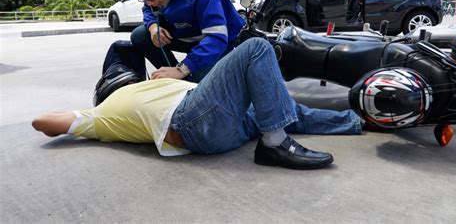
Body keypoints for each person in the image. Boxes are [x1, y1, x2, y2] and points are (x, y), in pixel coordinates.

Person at [32, 38, 361, 170]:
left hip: (216, 122)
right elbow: (43, 122)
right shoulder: (101, 113)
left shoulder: (153, 85)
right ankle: (274, 145)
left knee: (281, 109)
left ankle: (360, 120)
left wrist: (169, 77)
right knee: (257, 47)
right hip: (192, 124)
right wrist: (80, 115)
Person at [127, 0, 245, 83]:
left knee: (200, 86)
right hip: (187, 34)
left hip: (220, 40)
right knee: (139, 35)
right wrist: (153, 27)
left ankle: (185, 78)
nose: (150, 3)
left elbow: (216, 37)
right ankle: (178, 79)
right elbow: (148, 10)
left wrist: (181, 70)